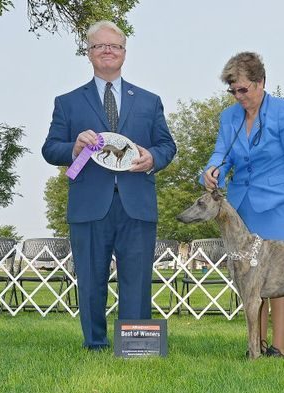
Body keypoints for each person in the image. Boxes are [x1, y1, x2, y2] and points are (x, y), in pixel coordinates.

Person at [42, 20, 176, 350]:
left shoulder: (149, 101)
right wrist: (73, 147)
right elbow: (50, 149)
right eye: (99, 46)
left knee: (137, 280)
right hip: (88, 205)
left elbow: (167, 146)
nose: (107, 51)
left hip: (137, 204)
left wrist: (152, 158)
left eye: (114, 46)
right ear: (88, 54)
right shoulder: (67, 102)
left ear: (124, 53)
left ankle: (135, 346)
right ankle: (96, 344)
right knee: (90, 280)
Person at [202, 52, 284, 357]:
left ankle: (279, 349)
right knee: (251, 279)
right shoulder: (229, 118)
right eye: (233, 90)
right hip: (243, 208)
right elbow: (220, 154)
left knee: (280, 279)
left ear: (261, 82)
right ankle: (257, 345)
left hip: (281, 205)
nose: (239, 96)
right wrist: (212, 170)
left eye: (244, 89)